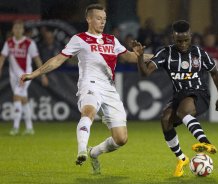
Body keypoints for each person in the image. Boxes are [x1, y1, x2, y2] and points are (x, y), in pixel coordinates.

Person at [20, 4, 152, 174]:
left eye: (104, 19)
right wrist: (35, 73)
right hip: (90, 84)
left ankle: (93, 152)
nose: (102, 22)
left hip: (109, 89)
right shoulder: (79, 39)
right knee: (88, 112)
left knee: (121, 138)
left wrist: (154, 56)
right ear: (89, 19)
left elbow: (130, 56)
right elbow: (58, 59)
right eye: (98, 18)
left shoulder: (112, 40)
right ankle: (81, 150)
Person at [133, 20, 218, 177]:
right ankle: (182, 159)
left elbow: (215, 73)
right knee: (165, 119)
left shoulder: (200, 53)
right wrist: (140, 57)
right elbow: (145, 73)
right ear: (173, 38)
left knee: (183, 111)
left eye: (186, 40)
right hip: (179, 95)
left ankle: (205, 142)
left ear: (191, 36)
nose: (183, 44)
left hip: (199, 94)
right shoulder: (165, 53)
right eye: (179, 41)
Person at [0, 20, 49, 135]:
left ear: (23, 30)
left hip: (26, 75)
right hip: (13, 76)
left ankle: (15, 127)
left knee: (17, 97)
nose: (17, 30)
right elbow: (2, 57)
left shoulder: (29, 43)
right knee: (24, 100)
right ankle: (29, 127)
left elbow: (37, 59)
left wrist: (43, 75)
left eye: (20, 28)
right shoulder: (9, 43)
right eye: (15, 28)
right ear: (13, 30)